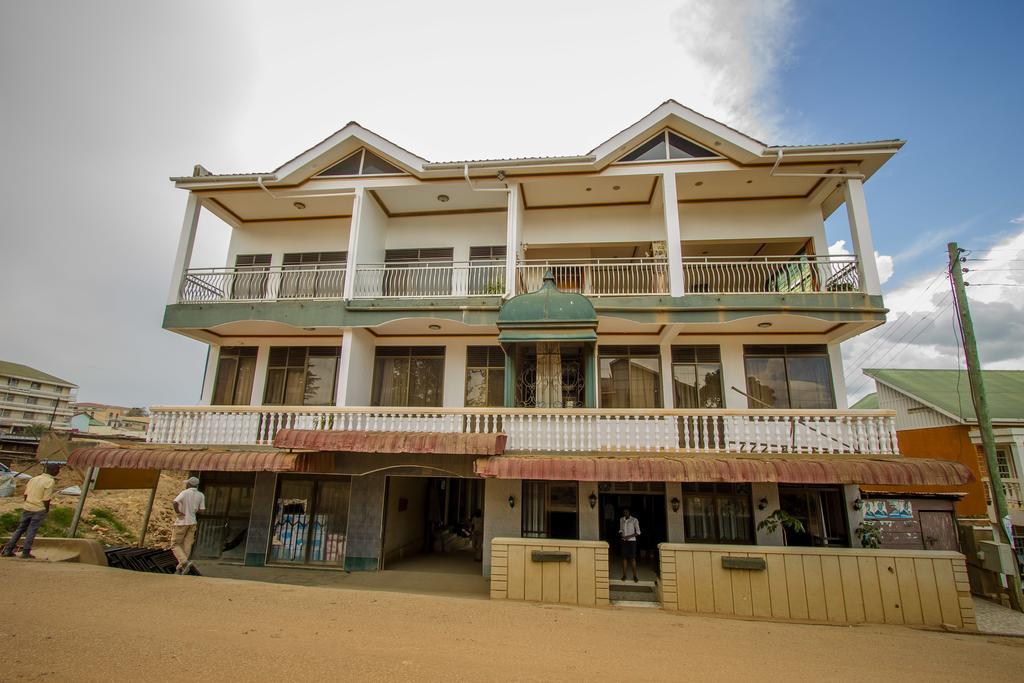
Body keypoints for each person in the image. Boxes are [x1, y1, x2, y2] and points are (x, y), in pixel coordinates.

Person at [2, 463, 60, 559]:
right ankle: (26, 552)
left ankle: (8, 550)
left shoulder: (34, 479)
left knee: (20, 529)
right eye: (58, 470)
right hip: (39, 508)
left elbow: (25, 494)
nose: (58, 472)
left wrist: (28, 504)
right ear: (53, 470)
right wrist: (46, 510)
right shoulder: (50, 481)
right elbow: (46, 499)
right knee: (32, 530)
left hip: (27, 507)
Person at [171, 476, 205, 574]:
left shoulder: (184, 493)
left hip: (182, 521)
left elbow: (175, 502)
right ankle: (180, 568)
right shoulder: (201, 495)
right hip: (193, 522)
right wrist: (194, 510)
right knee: (187, 544)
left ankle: (184, 562)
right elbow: (202, 510)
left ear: (189, 484)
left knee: (175, 544)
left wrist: (178, 512)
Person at [619, 507, 641, 582]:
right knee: (624, 558)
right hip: (624, 541)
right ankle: (624, 575)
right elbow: (621, 529)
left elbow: (638, 532)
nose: (625, 513)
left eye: (627, 511)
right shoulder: (621, 519)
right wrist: (622, 534)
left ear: (629, 512)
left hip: (632, 541)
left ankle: (635, 576)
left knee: (632, 559)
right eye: (624, 512)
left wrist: (629, 536)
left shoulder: (634, 520)